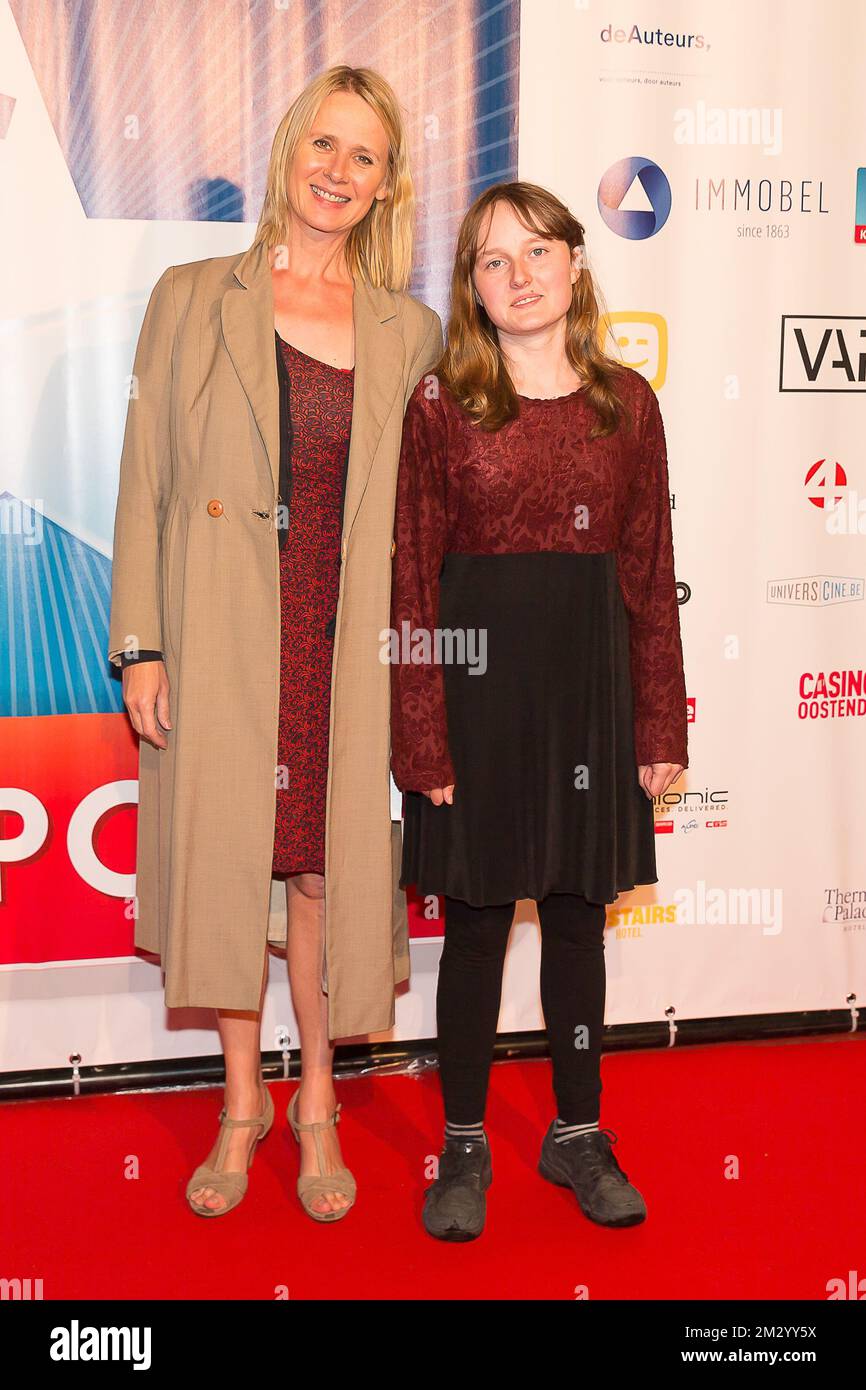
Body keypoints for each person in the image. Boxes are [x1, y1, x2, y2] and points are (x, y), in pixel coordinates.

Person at [108, 65, 443, 1221]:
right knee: (231, 875)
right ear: (288, 150)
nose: (338, 173)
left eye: (366, 157)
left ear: (388, 185)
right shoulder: (192, 295)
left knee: (317, 875)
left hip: (342, 647)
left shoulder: (410, 328)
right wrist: (139, 643)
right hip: (221, 635)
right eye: (323, 146)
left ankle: (316, 1105)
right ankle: (238, 1101)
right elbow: (146, 478)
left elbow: (423, 517)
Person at [389, 181, 688, 1241]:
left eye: (535, 252)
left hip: (588, 698)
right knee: (471, 930)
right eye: (489, 260)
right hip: (471, 700)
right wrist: (419, 731)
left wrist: (659, 725)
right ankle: (461, 1141)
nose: (517, 276)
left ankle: (575, 1132)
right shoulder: (438, 405)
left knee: (573, 923)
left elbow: (648, 574)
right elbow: (408, 585)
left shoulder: (626, 403)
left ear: (573, 262)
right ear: (469, 286)